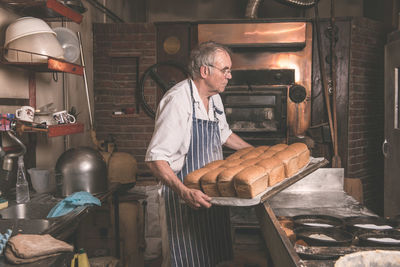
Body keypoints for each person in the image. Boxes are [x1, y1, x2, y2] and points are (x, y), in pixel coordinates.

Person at [145, 41, 252, 267]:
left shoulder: (214, 98)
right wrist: (184, 192)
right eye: (225, 70)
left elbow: (224, 134)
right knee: (184, 259)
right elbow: (156, 159)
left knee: (209, 255)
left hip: (211, 193)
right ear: (205, 71)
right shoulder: (178, 101)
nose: (229, 76)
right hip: (183, 196)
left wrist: (255, 152)